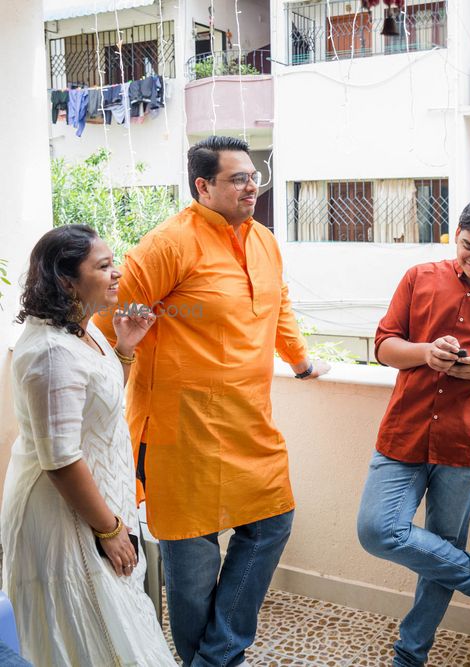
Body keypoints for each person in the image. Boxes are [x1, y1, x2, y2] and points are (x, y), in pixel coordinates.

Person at [94, 135, 330, 667]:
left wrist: (300, 362)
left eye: (254, 176)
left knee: (273, 522)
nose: (253, 186)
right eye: (238, 178)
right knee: (194, 560)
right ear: (203, 186)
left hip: (250, 424)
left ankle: (217, 657)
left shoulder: (264, 241)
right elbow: (108, 320)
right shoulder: (168, 245)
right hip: (182, 430)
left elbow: (278, 306)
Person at [356, 197, 470, 667]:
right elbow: (384, 346)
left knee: (442, 550)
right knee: (377, 530)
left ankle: (409, 655)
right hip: (405, 428)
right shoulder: (419, 278)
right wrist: (425, 353)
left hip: (467, 440)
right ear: (454, 234)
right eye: (467, 247)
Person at [1, 224, 174, 665]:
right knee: (96, 635)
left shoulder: (82, 330)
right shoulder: (50, 353)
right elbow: (60, 460)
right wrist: (110, 529)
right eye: (103, 266)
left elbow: (97, 405)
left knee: (123, 624)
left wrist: (124, 348)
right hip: (65, 511)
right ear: (65, 279)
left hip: (97, 500)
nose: (117, 273)